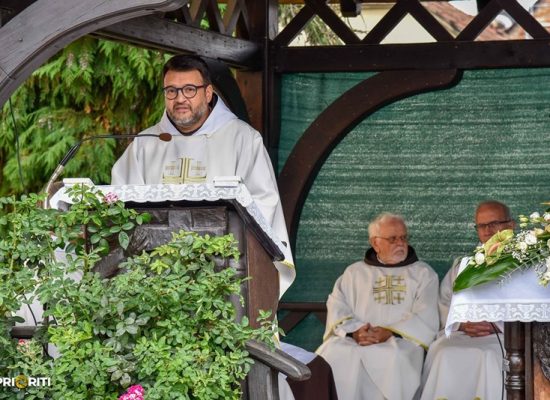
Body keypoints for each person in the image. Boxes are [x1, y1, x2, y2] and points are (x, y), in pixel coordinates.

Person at [111, 54, 337, 400]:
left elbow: (263, 213)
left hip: (223, 285)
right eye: (171, 91)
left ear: (208, 92)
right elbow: (118, 210)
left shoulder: (242, 140)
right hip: (155, 288)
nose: (180, 98)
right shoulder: (145, 144)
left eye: (189, 89)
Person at [317, 212, 439, 400]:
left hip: (401, 340)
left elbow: (426, 314)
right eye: (392, 239)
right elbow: (338, 305)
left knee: (393, 358)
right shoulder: (354, 272)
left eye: (403, 237)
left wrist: (390, 332)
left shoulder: (423, 273)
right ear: (375, 243)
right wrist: (355, 331)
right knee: (333, 353)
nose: (400, 243)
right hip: (357, 337)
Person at [419, 200, 514, 400]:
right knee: (442, 352)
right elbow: (445, 302)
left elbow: (532, 306)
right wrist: (461, 323)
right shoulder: (463, 266)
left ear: (511, 225)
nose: (487, 230)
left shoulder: (524, 263)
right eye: (481, 225)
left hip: (505, 337)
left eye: (494, 223)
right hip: (463, 333)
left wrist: (496, 325)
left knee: (488, 357)